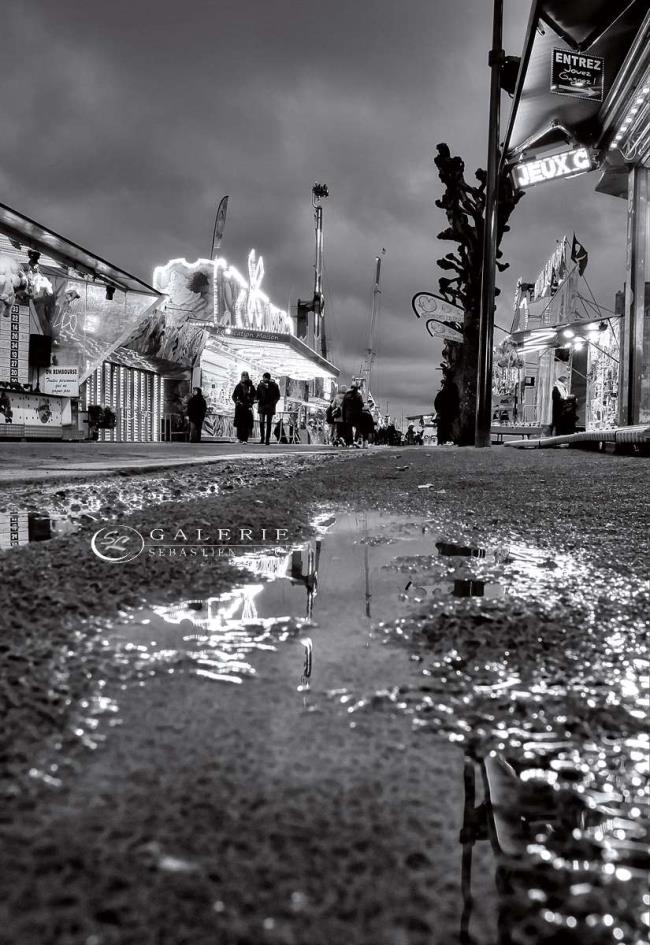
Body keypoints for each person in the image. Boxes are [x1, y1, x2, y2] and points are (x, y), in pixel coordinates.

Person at [256, 372, 281, 445]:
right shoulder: (260, 385)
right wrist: (257, 400)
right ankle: (262, 438)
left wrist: (274, 403)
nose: (264, 379)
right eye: (264, 378)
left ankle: (267, 439)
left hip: (270, 406)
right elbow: (257, 395)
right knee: (262, 423)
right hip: (262, 406)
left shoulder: (274, 385)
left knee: (268, 423)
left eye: (266, 378)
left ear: (268, 378)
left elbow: (278, 396)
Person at [232, 371, 256, 443]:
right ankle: (239, 438)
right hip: (239, 407)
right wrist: (236, 401)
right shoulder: (238, 386)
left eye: (245, 376)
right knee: (239, 423)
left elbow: (255, 396)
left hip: (247, 407)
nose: (244, 378)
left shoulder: (251, 386)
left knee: (246, 424)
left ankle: (245, 439)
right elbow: (233, 396)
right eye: (243, 376)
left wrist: (251, 402)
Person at [342, 382, 364, 446]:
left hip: (348, 414)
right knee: (358, 428)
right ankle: (355, 440)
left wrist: (344, 416)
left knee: (349, 428)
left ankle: (350, 442)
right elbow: (362, 405)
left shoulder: (346, 395)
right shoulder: (358, 395)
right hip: (357, 414)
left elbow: (343, 406)